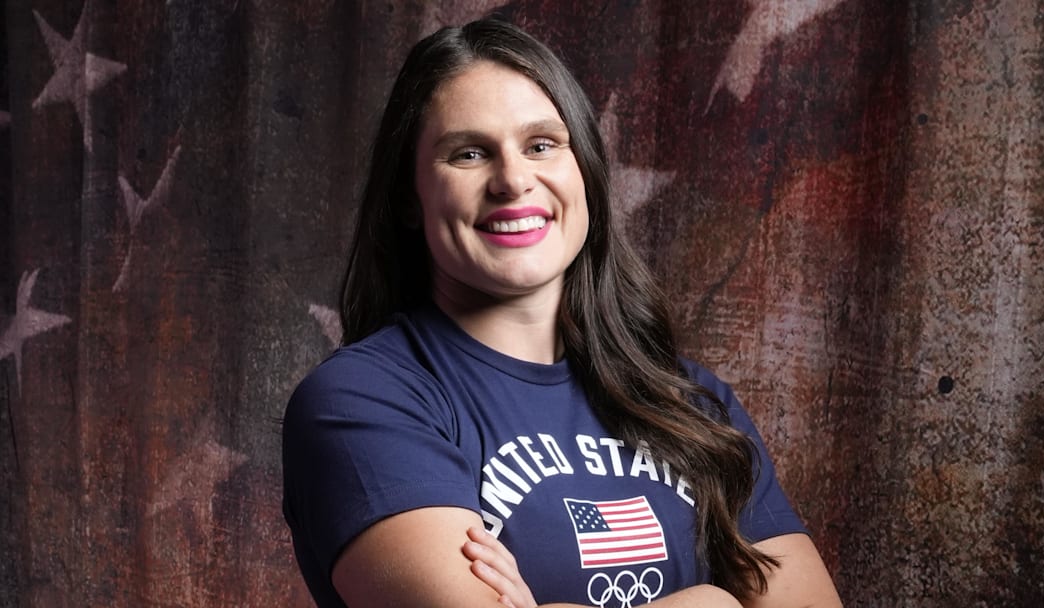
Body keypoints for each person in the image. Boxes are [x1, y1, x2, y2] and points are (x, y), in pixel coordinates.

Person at [282, 17, 842, 608]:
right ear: (409, 199)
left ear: (586, 174)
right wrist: (713, 602)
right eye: (468, 153)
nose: (513, 180)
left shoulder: (693, 402)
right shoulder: (361, 403)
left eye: (542, 145)